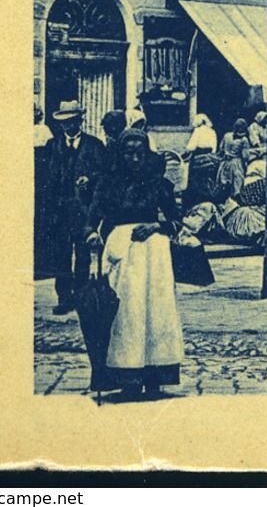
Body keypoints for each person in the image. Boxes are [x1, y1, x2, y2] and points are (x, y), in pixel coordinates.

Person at [86, 127, 183, 400]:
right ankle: (127, 376)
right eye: (129, 153)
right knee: (126, 312)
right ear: (120, 154)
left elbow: (177, 221)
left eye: (139, 153)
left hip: (155, 256)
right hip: (122, 252)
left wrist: (155, 225)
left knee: (156, 312)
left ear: (146, 154)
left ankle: (154, 374)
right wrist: (92, 235)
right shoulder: (107, 183)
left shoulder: (158, 183)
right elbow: (92, 219)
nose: (135, 159)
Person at [35, 100, 109, 314]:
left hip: (84, 211)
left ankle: (82, 295)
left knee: (84, 255)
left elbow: (104, 175)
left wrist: (90, 179)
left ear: (80, 121)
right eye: (65, 123)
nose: (69, 126)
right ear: (60, 125)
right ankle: (65, 298)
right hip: (60, 212)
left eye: (73, 121)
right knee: (61, 256)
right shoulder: (53, 146)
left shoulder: (94, 145)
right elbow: (46, 181)